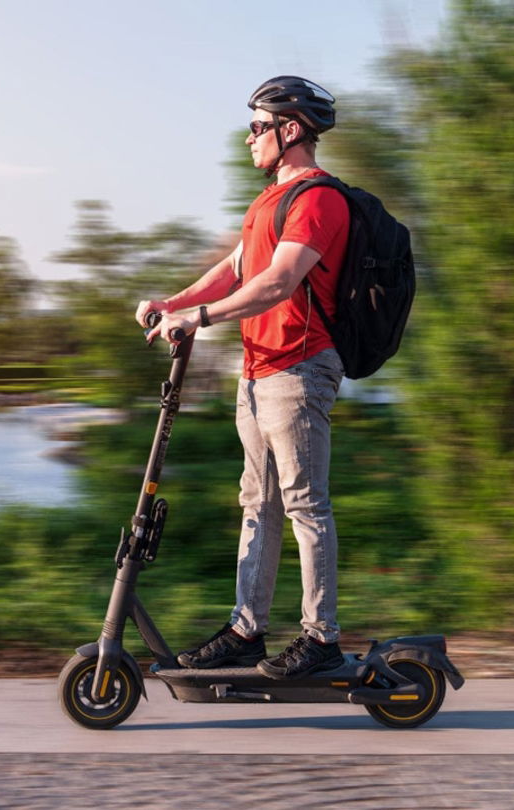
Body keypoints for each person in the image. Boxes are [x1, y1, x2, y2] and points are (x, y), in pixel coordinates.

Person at [137, 75, 349, 680]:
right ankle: (246, 631)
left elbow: (278, 283)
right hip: (256, 375)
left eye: (258, 126)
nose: (248, 137)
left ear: (291, 131)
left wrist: (198, 318)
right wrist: (171, 306)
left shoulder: (317, 199)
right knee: (258, 503)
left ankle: (321, 638)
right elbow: (233, 272)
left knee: (307, 506)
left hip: (299, 369)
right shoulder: (267, 203)